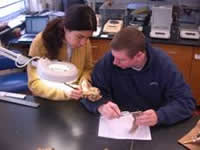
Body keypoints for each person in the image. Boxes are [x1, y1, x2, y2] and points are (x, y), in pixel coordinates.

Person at [81, 26, 196, 126]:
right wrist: (100, 105)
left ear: (139, 56)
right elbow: (87, 91)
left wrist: (159, 116)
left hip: (152, 128)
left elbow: (186, 102)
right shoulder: (109, 60)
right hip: (116, 123)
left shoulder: (163, 64)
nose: (114, 62)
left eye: (121, 60)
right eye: (113, 56)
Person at [27, 4, 99, 101]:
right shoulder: (41, 42)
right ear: (66, 29)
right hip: (48, 101)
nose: (84, 43)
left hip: (76, 98)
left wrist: (84, 81)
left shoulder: (85, 42)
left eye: (88, 37)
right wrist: (65, 92)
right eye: (80, 37)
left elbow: (87, 68)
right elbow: (34, 83)